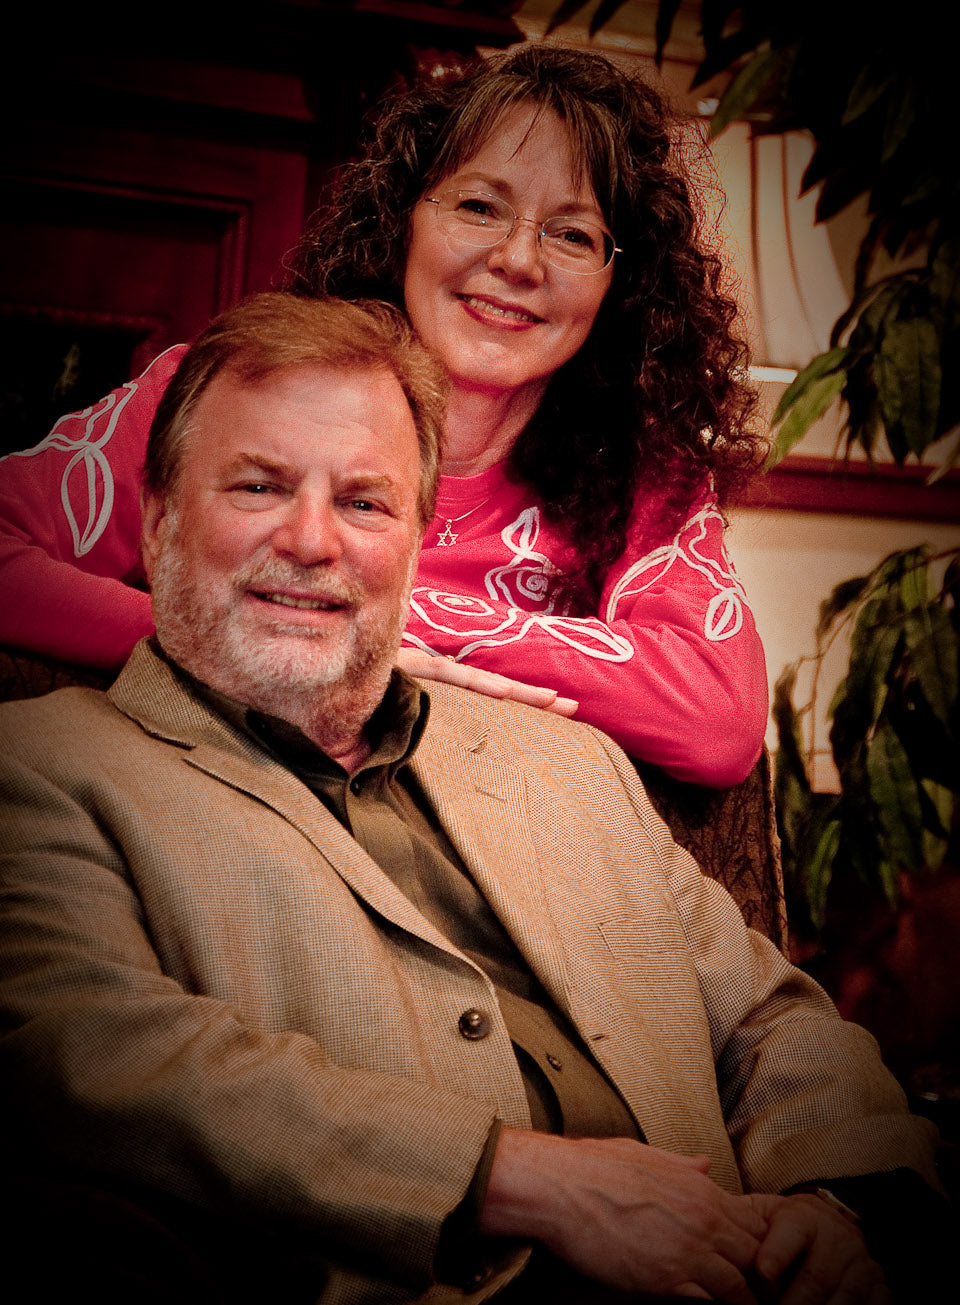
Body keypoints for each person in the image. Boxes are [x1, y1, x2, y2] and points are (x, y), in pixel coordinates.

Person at [0, 293, 949, 1305]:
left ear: (415, 546)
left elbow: (766, 1019)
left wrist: (836, 1203)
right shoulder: (43, 770)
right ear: (157, 521)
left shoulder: (570, 760)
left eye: (365, 503)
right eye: (260, 486)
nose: (312, 539)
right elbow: (97, 1061)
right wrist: (521, 1182)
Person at [0, 44, 768, 788]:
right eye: (478, 206)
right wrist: (233, 641)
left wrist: (368, 628)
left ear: (620, 283)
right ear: (404, 219)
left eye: (573, 234)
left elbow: (718, 716)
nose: (518, 260)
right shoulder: (218, 393)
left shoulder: (646, 477)